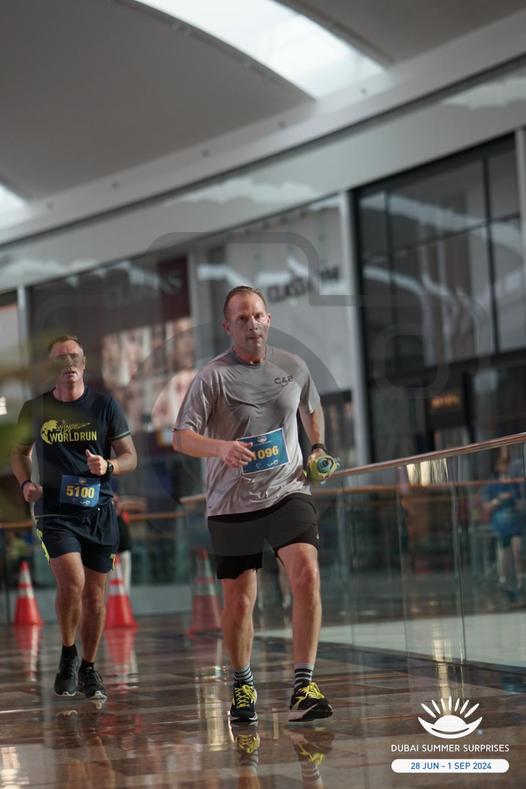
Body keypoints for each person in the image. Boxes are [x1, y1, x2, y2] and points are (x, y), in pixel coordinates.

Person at [173, 285, 333, 724]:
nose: (252, 324)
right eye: (242, 318)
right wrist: (221, 448)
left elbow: (311, 408)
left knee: (307, 574)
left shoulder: (293, 366)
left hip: (288, 490)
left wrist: (317, 447)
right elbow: (181, 437)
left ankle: (304, 685)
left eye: (258, 315)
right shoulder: (212, 377)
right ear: (228, 326)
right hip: (232, 503)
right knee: (241, 601)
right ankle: (242, 683)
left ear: (268, 320)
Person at [11, 335, 137, 700]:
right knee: (72, 582)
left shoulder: (105, 405)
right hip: (55, 512)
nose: (68, 363)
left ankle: (89, 668)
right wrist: (25, 484)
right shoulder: (35, 409)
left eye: (74, 356)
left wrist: (108, 465)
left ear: (83, 362)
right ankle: (68, 654)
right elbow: (19, 453)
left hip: (99, 511)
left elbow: (130, 456)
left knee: (95, 595)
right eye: (61, 358)